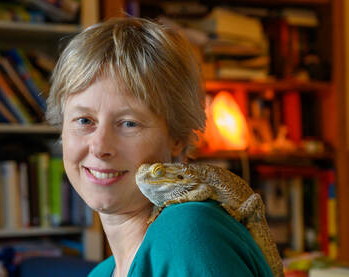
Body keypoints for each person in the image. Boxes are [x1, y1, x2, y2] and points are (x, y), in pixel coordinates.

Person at [46, 17, 273, 277]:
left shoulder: (188, 233)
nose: (99, 147)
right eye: (84, 120)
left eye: (129, 123)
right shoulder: (100, 273)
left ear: (177, 136)